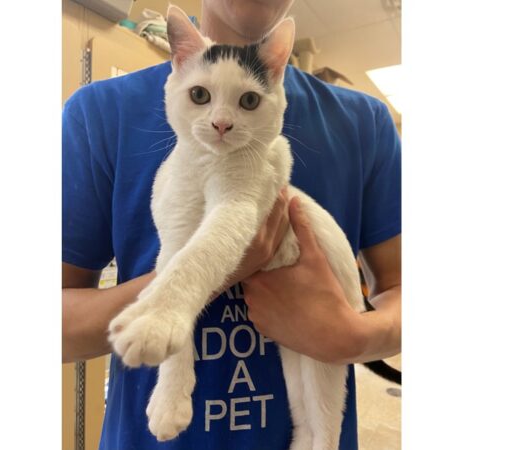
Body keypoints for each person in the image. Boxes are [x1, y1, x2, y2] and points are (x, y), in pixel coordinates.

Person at [62, 0, 401, 449]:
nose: (221, 122)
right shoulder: (99, 113)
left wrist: (352, 336)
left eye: (246, 100)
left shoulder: (366, 122)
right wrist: (185, 292)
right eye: (201, 96)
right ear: (178, 67)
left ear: (274, 80)